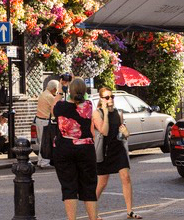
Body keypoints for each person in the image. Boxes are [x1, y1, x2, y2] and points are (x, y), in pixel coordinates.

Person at [53, 77, 107, 220]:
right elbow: (81, 97)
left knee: (69, 187)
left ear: (69, 91)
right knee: (89, 187)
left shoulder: (60, 106)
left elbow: (53, 109)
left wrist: (60, 88)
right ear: (84, 92)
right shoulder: (89, 105)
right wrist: (77, 84)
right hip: (86, 149)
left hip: (64, 149)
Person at [95, 87, 141, 219]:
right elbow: (104, 131)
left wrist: (126, 133)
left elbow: (123, 134)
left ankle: (129, 211)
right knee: (102, 183)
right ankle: (93, 210)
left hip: (118, 149)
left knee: (126, 177)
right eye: (107, 97)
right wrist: (105, 110)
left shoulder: (118, 113)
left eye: (112, 97)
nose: (110, 99)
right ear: (101, 99)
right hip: (105, 152)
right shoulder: (97, 113)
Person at [36, 80, 60, 168]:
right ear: (54, 89)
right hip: (45, 121)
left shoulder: (43, 94)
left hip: (39, 119)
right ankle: (44, 162)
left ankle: (40, 160)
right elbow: (56, 108)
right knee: (46, 142)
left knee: (41, 142)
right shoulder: (50, 97)